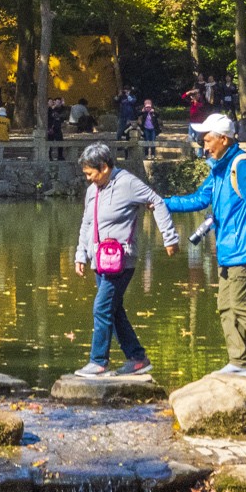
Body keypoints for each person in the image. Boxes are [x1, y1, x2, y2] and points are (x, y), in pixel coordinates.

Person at [163, 113, 246, 378]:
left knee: (243, 304)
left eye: (208, 140)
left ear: (224, 139)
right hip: (226, 249)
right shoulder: (218, 169)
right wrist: (163, 203)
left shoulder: (242, 165)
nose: (204, 146)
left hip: (244, 248)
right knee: (226, 305)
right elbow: (198, 200)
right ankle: (239, 360)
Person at [73, 142, 181, 377]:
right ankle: (137, 358)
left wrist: (169, 238)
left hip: (121, 260)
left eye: (90, 173)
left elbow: (157, 202)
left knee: (101, 308)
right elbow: (87, 223)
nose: (89, 179)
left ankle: (99, 362)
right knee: (113, 310)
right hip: (100, 260)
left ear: (103, 167)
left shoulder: (128, 183)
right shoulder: (94, 190)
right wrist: (81, 253)